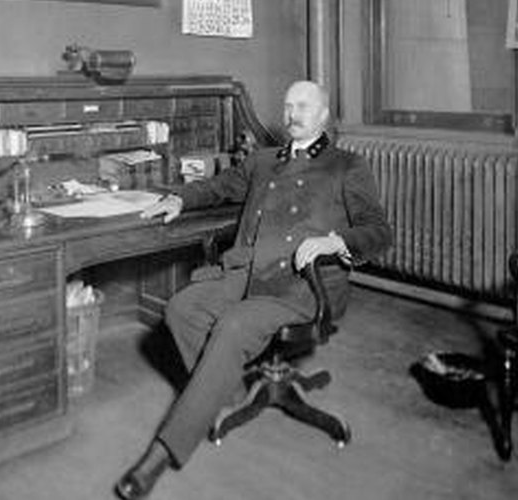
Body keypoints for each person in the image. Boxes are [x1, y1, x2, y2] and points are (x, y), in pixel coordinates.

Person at [115, 80, 392, 500]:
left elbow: (378, 231)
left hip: (303, 288)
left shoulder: (346, 165)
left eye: (303, 105)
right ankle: (229, 391)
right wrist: (179, 199)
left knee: (233, 325)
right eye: (287, 105)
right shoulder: (264, 161)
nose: (293, 113)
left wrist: (334, 242)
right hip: (246, 273)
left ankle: (161, 453)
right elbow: (218, 187)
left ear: (323, 114)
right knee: (181, 308)